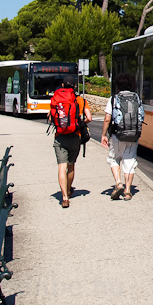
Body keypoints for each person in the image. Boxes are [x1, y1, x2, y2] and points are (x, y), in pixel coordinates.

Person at [101, 73, 143, 201]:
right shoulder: (136, 98)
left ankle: (118, 183)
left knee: (114, 158)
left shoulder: (114, 99)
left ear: (117, 85)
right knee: (130, 161)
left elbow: (107, 119)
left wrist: (104, 135)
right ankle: (128, 191)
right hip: (133, 135)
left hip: (117, 135)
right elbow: (141, 116)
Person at [49, 75, 84, 208]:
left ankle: (64, 198)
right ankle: (69, 190)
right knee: (71, 166)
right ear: (74, 87)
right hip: (75, 136)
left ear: (62, 85)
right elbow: (89, 117)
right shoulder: (79, 100)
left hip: (60, 137)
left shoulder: (56, 99)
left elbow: (51, 116)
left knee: (61, 167)